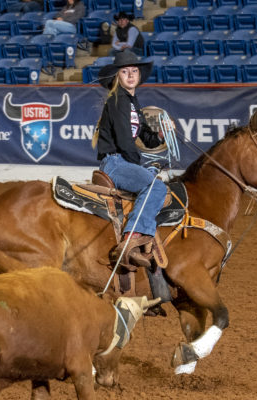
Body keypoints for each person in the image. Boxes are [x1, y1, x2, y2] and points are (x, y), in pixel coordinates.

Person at [92, 50, 167, 268]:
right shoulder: (118, 101)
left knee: (152, 180)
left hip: (121, 160)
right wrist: (140, 167)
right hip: (115, 163)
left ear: (139, 75)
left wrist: (161, 134)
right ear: (118, 76)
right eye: (125, 72)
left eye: (134, 71)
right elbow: (125, 142)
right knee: (156, 187)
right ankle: (132, 237)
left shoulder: (132, 103)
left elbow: (148, 139)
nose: (131, 75)